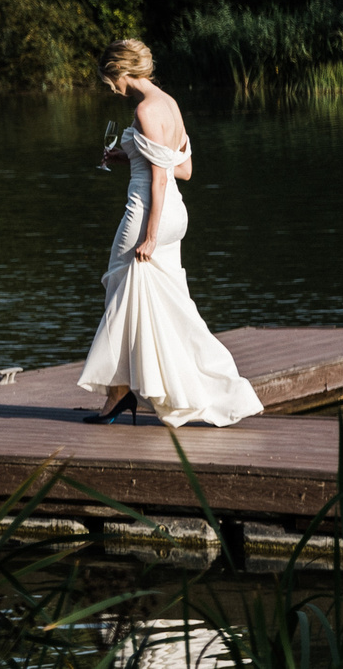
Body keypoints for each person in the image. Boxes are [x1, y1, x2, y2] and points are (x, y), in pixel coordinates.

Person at [77, 39, 263, 427]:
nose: (110, 88)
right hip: (175, 215)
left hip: (147, 213)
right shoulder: (170, 104)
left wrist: (149, 234)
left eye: (109, 80)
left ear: (121, 72)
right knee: (161, 303)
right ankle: (124, 391)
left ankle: (123, 391)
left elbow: (161, 177)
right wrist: (126, 156)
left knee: (117, 289)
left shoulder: (144, 109)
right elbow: (185, 169)